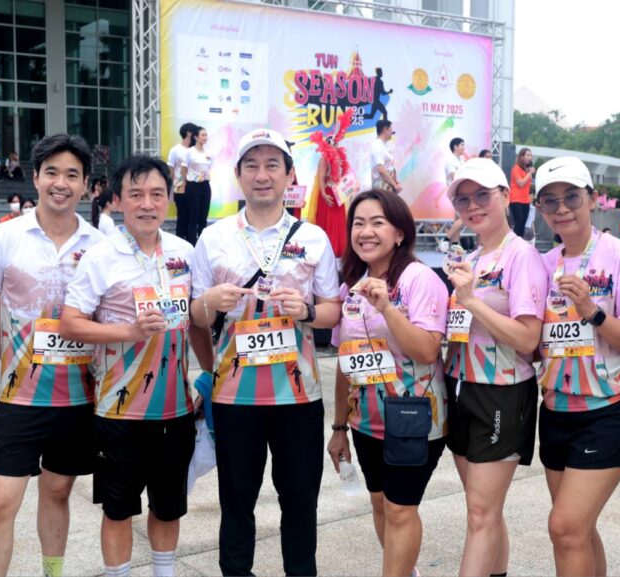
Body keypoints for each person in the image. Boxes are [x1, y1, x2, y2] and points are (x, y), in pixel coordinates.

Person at [189, 128, 341, 576]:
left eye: (272, 165)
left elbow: (332, 312)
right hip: (235, 397)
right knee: (236, 500)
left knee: (301, 501)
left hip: (299, 396)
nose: (262, 175)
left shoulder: (313, 237)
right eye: (252, 166)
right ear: (238, 175)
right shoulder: (213, 237)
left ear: (289, 175)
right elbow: (195, 317)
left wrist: (307, 310)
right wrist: (209, 302)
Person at [60, 154, 214, 577]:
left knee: (168, 507)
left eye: (157, 194)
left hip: (175, 410)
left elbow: (196, 322)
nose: (147, 204)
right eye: (136, 194)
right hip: (118, 411)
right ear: (118, 200)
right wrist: (129, 331)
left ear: (169, 199)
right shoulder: (101, 255)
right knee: (118, 510)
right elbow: (70, 323)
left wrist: (211, 373)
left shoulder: (184, 252)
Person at [0, 134, 104, 577]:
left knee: (58, 492)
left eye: (72, 175)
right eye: (52, 173)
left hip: (77, 398)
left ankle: (53, 572)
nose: (60, 183)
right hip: (21, 399)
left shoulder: (100, 244)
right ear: (35, 178)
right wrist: (17, 364)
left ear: (85, 184)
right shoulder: (3, 237)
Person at [533, 156, 620, 577]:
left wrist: (592, 311)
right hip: (555, 408)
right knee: (577, 531)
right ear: (539, 209)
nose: (562, 208)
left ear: (592, 199)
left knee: (565, 527)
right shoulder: (544, 264)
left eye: (571, 197)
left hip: (610, 406)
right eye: (550, 201)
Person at [326, 189, 449, 576]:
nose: (366, 232)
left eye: (377, 222)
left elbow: (427, 350)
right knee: (380, 503)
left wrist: (387, 308)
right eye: (358, 223)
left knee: (399, 508)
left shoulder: (420, 279)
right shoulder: (351, 286)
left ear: (399, 233)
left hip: (415, 418)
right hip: (366, 421)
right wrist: (339, 428)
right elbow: (346, 363)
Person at [442, 159, 547, 577]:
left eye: (482, 195)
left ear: (505, 195)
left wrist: (470, 300)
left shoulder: (522, 256)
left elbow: (528, 339)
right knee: (484, 509)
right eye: (463, 199)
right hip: (460, 386)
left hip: (501, 390)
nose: (473, 206)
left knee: (480, 514)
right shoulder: (470, 257)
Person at [310, 109, 354, 258]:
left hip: (339, 194)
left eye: (336, 143)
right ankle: (328, 249)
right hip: (329, 193)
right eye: (332, 143)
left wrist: (350, 187)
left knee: (339, 221)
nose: (335, 145)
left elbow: (344, 176)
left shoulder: (340, 157)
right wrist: (323, 193)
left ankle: (339, 248)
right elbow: (321, 177)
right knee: (329, 221)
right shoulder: (324, 158)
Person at [179, 126, 212, 245]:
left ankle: (202, 245)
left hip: (205, 186)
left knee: (203, 218)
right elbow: (183, 169)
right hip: (193, 187)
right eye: (203, 135)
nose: (205, 137)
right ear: (196, 137)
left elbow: (208, 168)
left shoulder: (209, 153)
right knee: (193, 218)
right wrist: (184, 184)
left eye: (206, 135)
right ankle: (191, 244)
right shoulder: (190, 152)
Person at [168, 123, 198, 242]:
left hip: (194, 187)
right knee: (182, 216)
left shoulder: (196, 150)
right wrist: (170, 188)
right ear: (189, 133)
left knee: (193, 217)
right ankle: (180, 241)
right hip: (180, 187)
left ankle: (191, 242)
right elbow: (171, 169)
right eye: (195, 133)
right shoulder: (175, 150)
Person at [508, 148, 534, 239]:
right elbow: (520, 183)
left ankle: (520, 243)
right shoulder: (516, 168)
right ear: (522, 157)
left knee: (523, 225)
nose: (530, 157)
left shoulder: (526, 170)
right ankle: (515, 243)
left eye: (531, 155)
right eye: (528, 155)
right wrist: (529, 173)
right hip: (516, 200)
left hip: (525, 200)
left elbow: (528, 185)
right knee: (518, 223)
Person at [370, 120, 401, 193]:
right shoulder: (377, 146)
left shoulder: (383, 146)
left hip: (387, 186)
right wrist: (394, 185)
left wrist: (395, 182)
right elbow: (381, 170)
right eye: (391, 130)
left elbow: (388, 167)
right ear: (385, 130)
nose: (392, 133)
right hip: (382, 188)